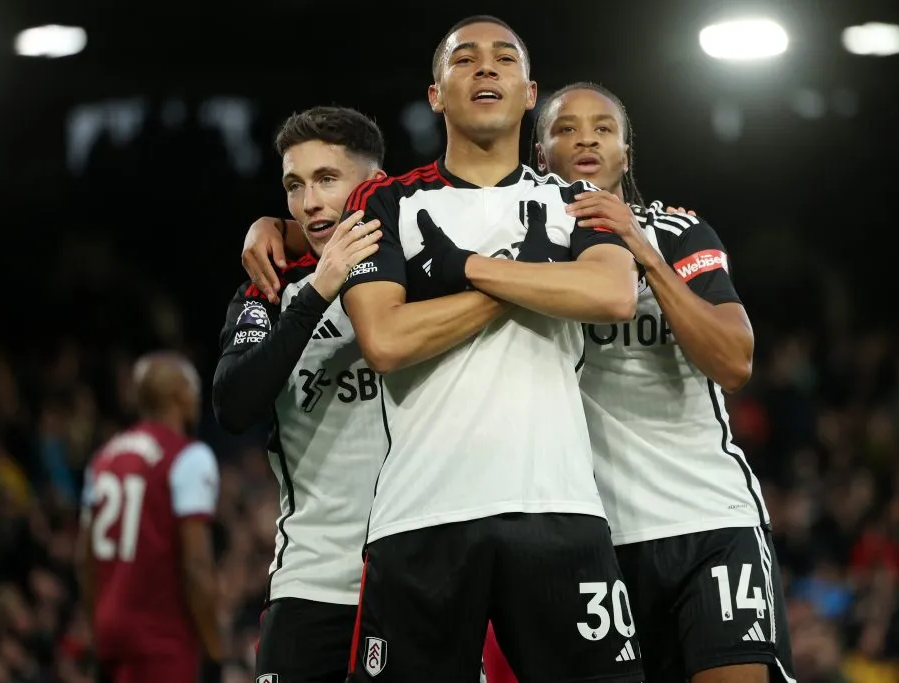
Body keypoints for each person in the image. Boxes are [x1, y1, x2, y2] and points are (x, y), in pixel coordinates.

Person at [331, 15, 643, 683]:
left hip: (559, 507)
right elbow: (386, 339)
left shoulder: (575, 199)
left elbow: (613, 294)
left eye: (504, 58)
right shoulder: (385, 201)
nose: (485, 68)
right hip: (423, 514)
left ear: (530, 94)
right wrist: (534, 282)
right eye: (465, 58)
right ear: (436, 94)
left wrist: (466, 266)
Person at [486, 82, 796, 683]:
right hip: (592, 537)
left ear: (626, 154)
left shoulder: (678, 232)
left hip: (709, 518)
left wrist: (640, 250)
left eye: (603, 128)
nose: (586, 138)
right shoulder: (519, 248)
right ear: (539, 156)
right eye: (566, 127)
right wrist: (275, 229)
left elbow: (733, 361)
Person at [211, 106, 387, 683]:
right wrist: (316, 291)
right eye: (294, 185)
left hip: (417, 573)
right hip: (311, 582)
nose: (309, 201)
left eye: (326, 179)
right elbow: (233, 404)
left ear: (373, 182)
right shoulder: (268, 288)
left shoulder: (418, 267)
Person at [76, 352, 223, 683]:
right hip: (162, 637)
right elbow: (196, 565)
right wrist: (214, 649)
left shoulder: (103, 458)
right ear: (179, 396)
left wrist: (96, 628)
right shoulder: (189, 457)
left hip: (110, 634)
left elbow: (84, 561)